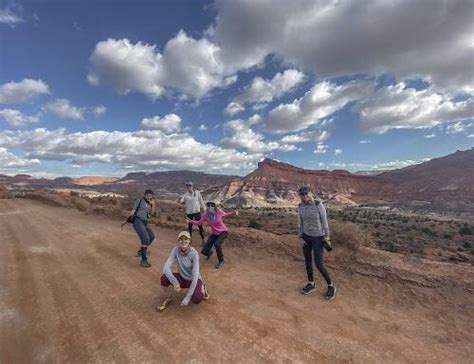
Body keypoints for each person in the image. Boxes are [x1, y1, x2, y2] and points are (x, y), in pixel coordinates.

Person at [297, 186, 336, 300]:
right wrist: (300, 236)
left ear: (310, 193)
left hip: (318, 238)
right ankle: (311, 284)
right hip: (306, 237)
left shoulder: (318, 205)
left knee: (318, 263)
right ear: (300, 196)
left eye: (306, 194)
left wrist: (327, 237)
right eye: (302, 194)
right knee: (307, 262)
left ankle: (331, 285)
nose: (304, 196)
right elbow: (300, 222)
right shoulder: (300, 207)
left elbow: (325, 222)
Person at [157, 231, 209, 312]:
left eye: (186, 239)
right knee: (164, 278)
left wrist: (187, 297)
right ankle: (168, 298)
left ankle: (203, 286)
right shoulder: (175, 250)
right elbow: (166, 268)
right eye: (181, 239)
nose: (183, 241)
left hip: (193, 279)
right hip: (182, 277)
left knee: (197, 299)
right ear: (178, 241)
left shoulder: (194, 253)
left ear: (189, 241)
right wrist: (175, 282)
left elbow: (195, 276)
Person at [186, 202, 238, 269]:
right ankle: (210, 253)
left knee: (217, 244)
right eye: (208, 205)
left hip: (223, 231)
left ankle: (221, 260)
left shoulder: (219, 212)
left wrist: (234, 212)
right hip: (214, 233)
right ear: (206, 207)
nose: (210, 207)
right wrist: (190, 221)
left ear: (214, 206)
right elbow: (199, 222)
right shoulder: (205, 215)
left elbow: (226, 215)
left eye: (212, 205)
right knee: (204, 251)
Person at [129, 189, 156, 268]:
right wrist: (127, 220)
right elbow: (133, 211)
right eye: (147, 195)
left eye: (150, 196)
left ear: (152, 196)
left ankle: (141, 251)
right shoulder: (139, 200)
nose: (148, 197)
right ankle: (143, 260)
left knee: (151, 236)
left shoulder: (150, 203)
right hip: (138, 220)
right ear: (144, 195)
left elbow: (152, 213)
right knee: (145, 238)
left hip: (145, 222)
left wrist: (153, 205)